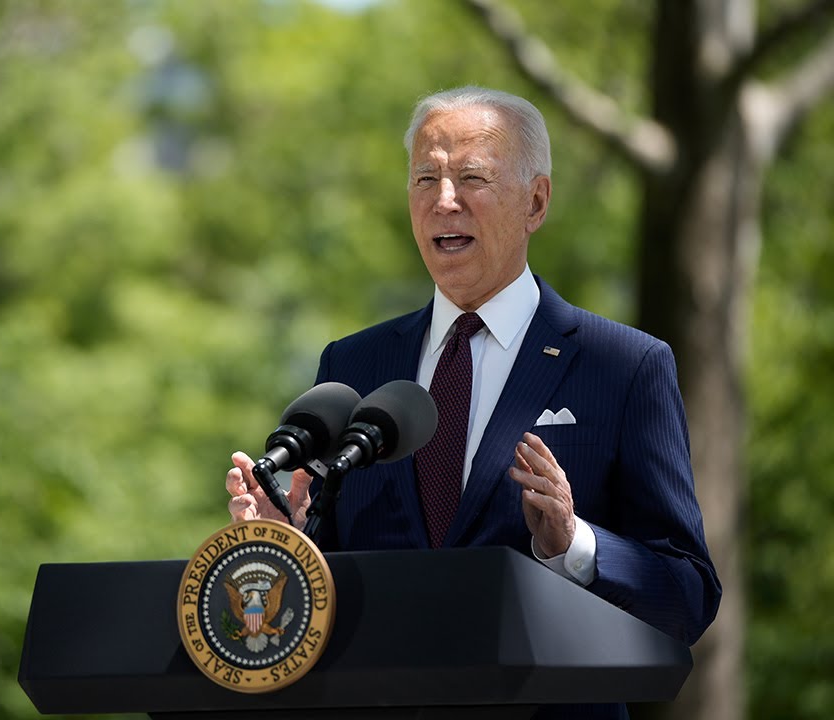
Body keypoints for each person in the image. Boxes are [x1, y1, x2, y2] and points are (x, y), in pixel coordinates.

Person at [224, 86, 720, 720]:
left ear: (536, 202)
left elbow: (687, 598)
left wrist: (572, 544)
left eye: (471, 178)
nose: (443, 200)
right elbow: (327, 589)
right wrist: (286, 543)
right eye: (424, 178)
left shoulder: (624, 366)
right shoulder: (353, 366)